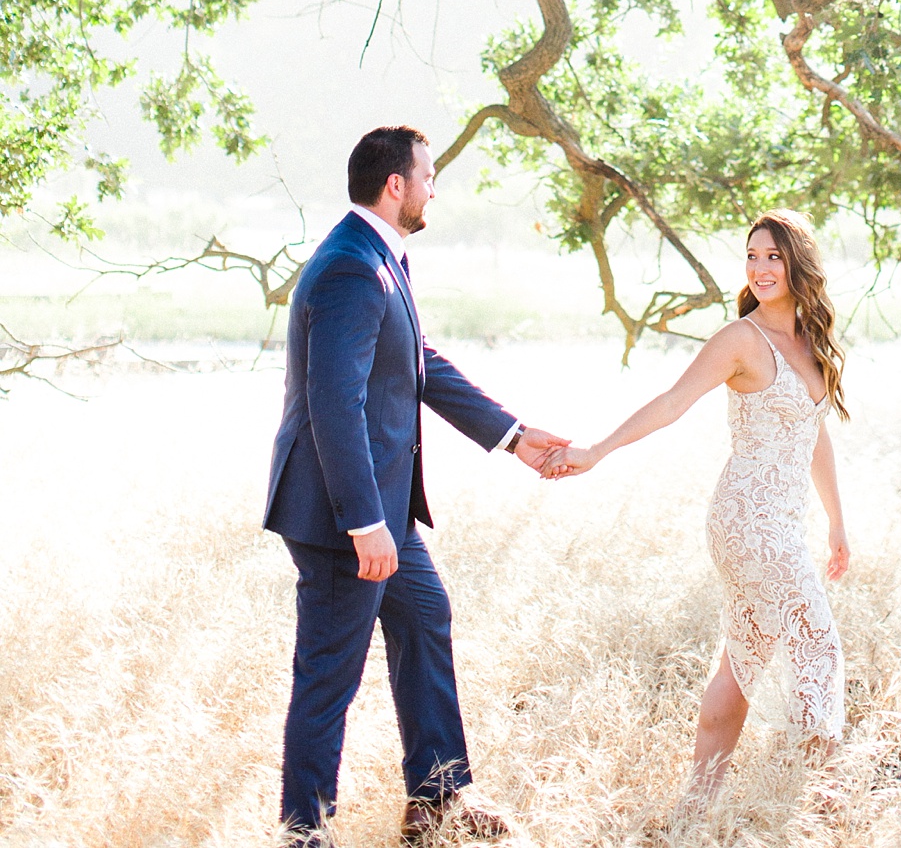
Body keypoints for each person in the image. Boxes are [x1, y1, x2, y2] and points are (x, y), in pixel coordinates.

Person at [264, 125, 570, 844]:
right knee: (328, 676)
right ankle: (304, 833)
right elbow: (331, 402)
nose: (436, 188)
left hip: (381, 508)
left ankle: (437, 798)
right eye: (428, 176)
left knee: (425, 618)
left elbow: (418, 362)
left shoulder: (377, 257)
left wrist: (514, 437)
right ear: (395, 185)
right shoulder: (348, 267)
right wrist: (365, 521)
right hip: (348, 517)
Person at [545, 209, 849, 806]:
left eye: (774, 256)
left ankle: (696, 805)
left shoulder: (809, 341)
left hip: (782, 523)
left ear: (799, 264)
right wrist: (598, 450)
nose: (760, 268)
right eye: (753, 256)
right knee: (818, 644)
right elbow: (672, 401)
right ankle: (822, 802)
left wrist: (837, 519)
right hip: (747, 520)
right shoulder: (742, 339)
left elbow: (814, 433)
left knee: (745, 652)